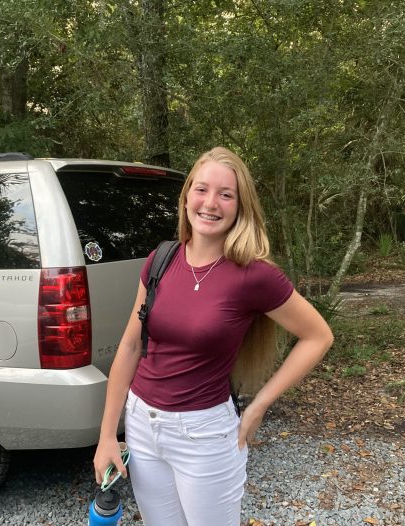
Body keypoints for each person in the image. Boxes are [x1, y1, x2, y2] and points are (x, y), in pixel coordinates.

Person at [93, 146, 334, 526]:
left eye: (226, 194)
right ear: (187, 195)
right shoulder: (161, 259)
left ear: (240, 206)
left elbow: (318, 336)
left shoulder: (253, 275)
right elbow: (131, 346)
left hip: (204, 436)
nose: (210, 203)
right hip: (141, 424)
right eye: (202, 189)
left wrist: (259, 405)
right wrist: (108, 434)